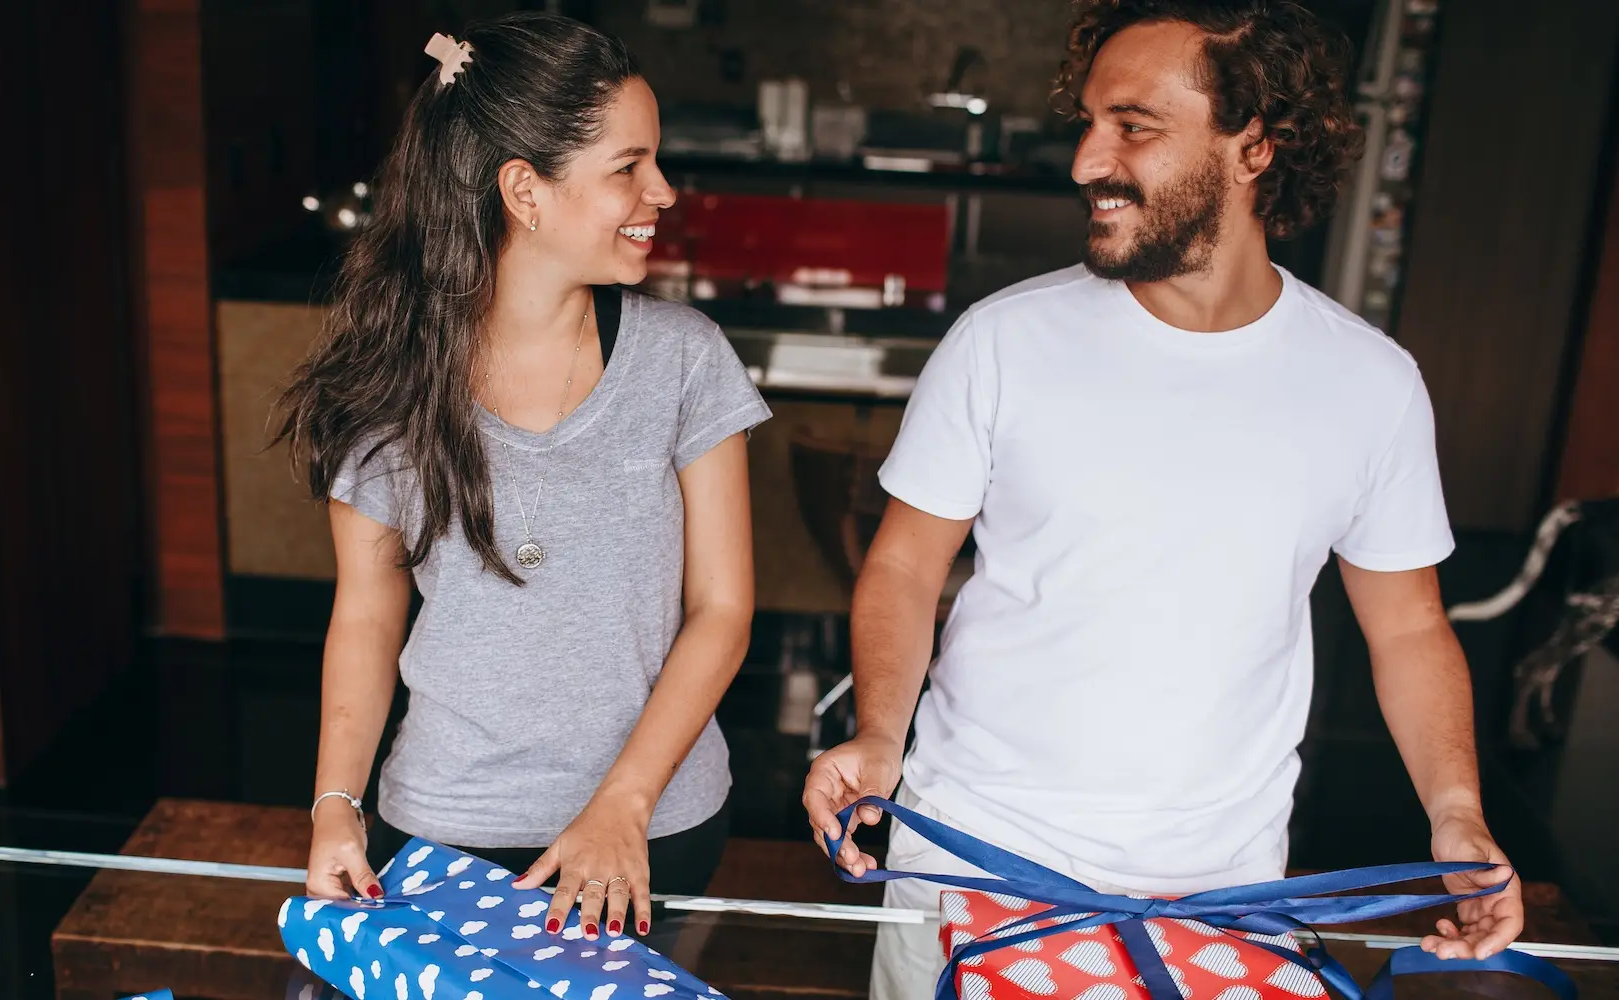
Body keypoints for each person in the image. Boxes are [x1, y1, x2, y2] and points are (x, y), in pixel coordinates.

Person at [800, 2, 1524, 996]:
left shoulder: (1372, 384)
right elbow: (905, 563)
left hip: (1222, 886)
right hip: (976, 859)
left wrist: (1457, 811)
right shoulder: (1002, 342)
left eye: (1133, 127)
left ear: (1255, 146)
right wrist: (881, 735)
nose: (1086, 162)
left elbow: (1407, 626)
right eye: (1089, 123)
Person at [281, 12, 769, 944]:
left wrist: (623, 803)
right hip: (446, 826)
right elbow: (367, 617)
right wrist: (334, 803)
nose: (663, 191)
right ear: (524, 190)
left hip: (654, 827)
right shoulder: (391, 385)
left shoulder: (684, 361)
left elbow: (723, 609)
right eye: (628, 167)